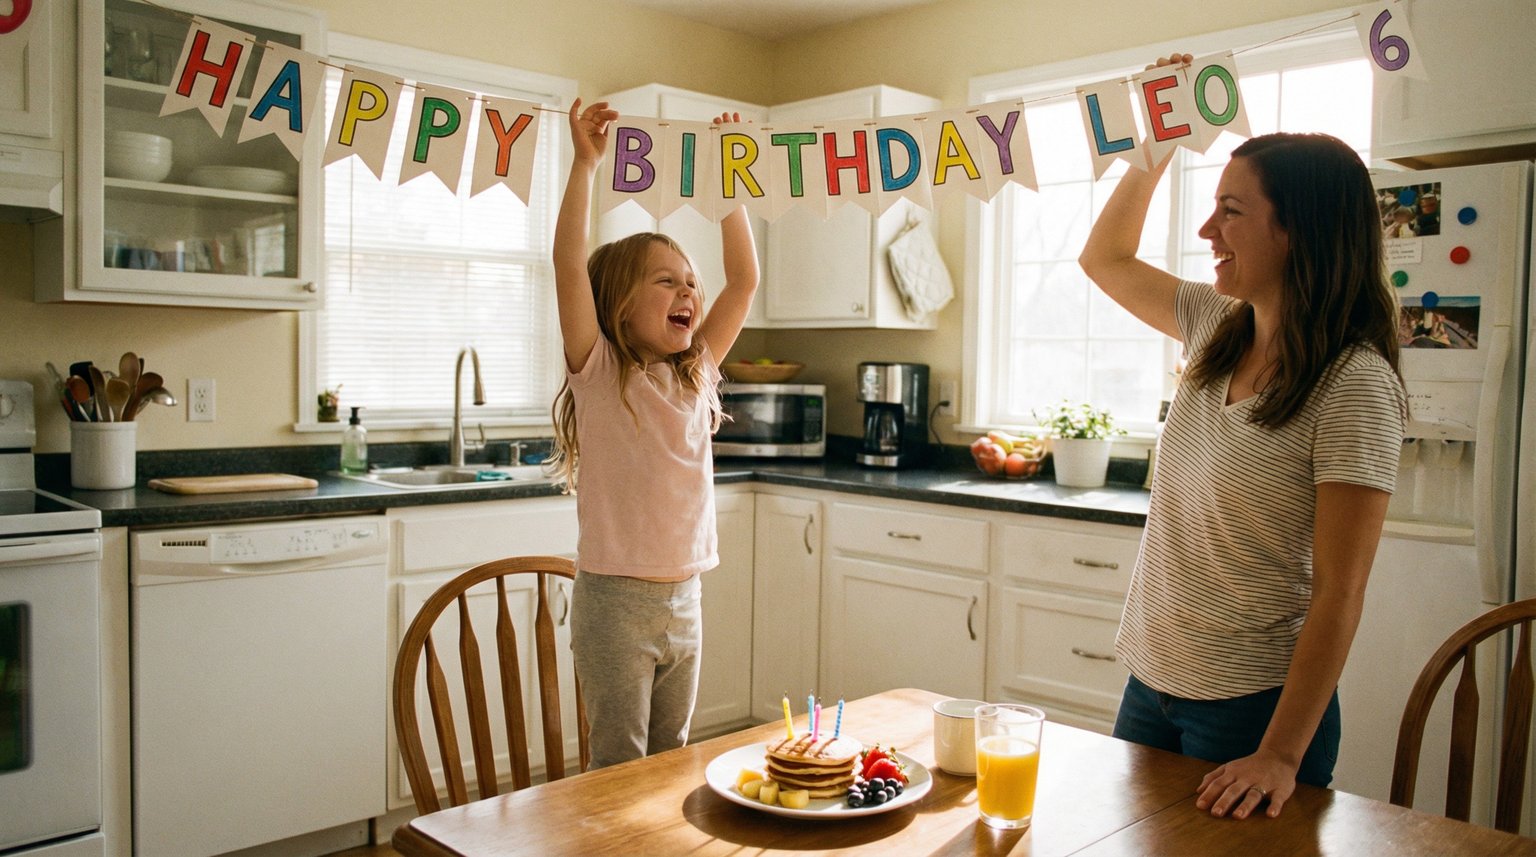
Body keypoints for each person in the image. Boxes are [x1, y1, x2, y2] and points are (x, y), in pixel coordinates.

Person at [1077, 54, 1407, 822]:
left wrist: (1282, 753)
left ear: (1298, 230)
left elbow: (1339, 590)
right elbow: (1105, 258)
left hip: (1253, 710)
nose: (1206, 230)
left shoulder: (1353, 384)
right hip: (1152, 681)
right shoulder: (1217, 325)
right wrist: (1157, 145)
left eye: (1231, 210)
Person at [549, 99, 760, 769]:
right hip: (615, 604)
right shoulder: (600, 368)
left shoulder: (696, 373)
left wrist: (730, 185)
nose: (689, 294)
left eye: (691, 284)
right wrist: (586, 165)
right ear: (617, 302)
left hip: (686, 597)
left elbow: (745, 279)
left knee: (670, 761)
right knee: (617, 768)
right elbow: (565, 261)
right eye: (667, 281)